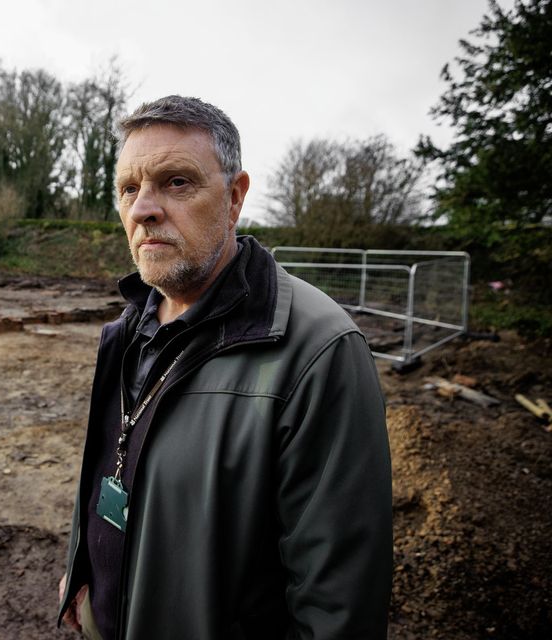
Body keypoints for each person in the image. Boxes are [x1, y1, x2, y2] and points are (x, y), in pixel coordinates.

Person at [57, 95, 392, 639]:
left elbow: (339, 604)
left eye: (176, 182)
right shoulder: (127, 330)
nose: (143, 208)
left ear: (235, 198)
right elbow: (110, 469)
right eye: (128, 189)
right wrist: (84, 572)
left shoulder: (318, 350)